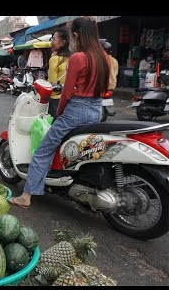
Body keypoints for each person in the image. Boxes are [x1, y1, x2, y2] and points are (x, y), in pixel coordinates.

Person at [9, 17, 110, 209]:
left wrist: (61, 113)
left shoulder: (78, 58)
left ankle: (26, 196)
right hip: (96, 111)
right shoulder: (103, 57)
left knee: (42, 151)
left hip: (76, 112)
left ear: (76, 35)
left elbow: (66, 93)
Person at [47, 28, 71, 120]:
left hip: (56, 100)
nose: (51, 42)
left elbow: (52, 84)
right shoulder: (73, 58)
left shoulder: (54, 59)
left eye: (53, 39)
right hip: (70, 99)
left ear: (62, 43)